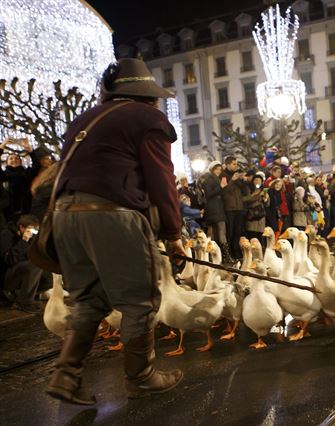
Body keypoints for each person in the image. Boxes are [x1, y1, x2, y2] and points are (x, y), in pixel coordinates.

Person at [47, 58, 185, 405]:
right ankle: (142, 376)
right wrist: (173, 233)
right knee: (141, 299)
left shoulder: (84, 119)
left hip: (64, 215)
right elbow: (161, 179)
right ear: (148, 95)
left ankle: (66, 375)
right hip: (111, 214)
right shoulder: (149, 119)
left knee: (88, 299)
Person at [0, 214, 42, 312]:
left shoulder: (29, 237)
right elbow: (9, 260)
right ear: (21, 227)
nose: (32, 233)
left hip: (16, 274)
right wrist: (24, 241)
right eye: (30, 229)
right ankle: (23, 302)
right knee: (33, 265)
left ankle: (25, 296)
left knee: (39, 263)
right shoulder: (6, 235)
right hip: (4, 276)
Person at [201, 161, 232, 263]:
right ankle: (223, 257)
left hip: (218, 210)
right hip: (214, 210)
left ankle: (219, 257)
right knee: (219, 234)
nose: (219, 171)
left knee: (218, 234)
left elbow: (219, 193)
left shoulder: (216, 179)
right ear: (212, 169)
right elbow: (209, 194)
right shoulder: (208, 180)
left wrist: (224, 187)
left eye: (219, 169)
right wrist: (221, 187)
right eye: (216, 169)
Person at [220, 156, 245, 260]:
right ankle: (229, 253)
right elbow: (224, 191)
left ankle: (237, 252)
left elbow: (243, 189)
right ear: (228, 164)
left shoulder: (237, 174)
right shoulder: (223, 175)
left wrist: (242, 180)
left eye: (236, 164)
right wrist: (232, 180)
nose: (236, 166)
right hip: (229, 208)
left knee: (238, 232)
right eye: (234, 164)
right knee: (230, 232)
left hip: (239, 207)